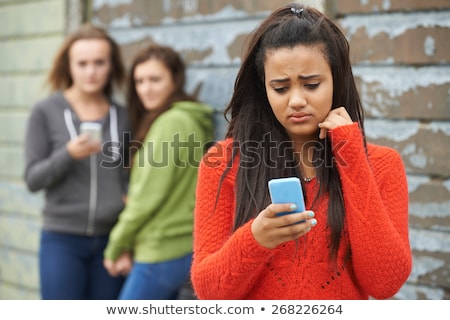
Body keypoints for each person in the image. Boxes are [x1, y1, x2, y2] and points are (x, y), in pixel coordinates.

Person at [191, 4, 412, 300]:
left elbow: (385, 283)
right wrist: (255, 239)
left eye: (311, 84)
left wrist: (352, 158)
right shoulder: (224, 163)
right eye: (280, 88)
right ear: (264, 89)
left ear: (336, 79)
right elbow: (209, 292)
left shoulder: (382, 164)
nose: (296, 100)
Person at [23, 23, 129, 300]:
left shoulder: (123, 115)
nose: (91, 71)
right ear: (69, 66)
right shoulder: (45, 111)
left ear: (111, 66)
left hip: (111, 241)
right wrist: (68, 154)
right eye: (82, 63)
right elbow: (33, 178)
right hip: (62, 239)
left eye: (99, 62)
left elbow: (130, 180)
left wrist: (128, 241)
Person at [103, 44, 214, 300]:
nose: (146, 89)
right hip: (179, 245)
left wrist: (115, 246)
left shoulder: (172, 122)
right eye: (140, 81)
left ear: (175, 80)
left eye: (155, 79)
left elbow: (146, 199)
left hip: (162, 250)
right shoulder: (188, 118)